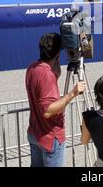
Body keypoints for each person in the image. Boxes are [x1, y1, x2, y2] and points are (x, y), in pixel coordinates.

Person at [26, 33, 86, 167]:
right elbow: (47, 111)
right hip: (49, 136)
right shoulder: (46, 75)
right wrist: (72, 93)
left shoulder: (32, 67)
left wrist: (56, 58)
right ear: (58, 52)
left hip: (35, 133)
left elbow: (54, 77)